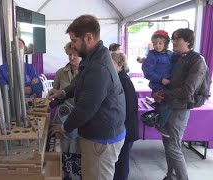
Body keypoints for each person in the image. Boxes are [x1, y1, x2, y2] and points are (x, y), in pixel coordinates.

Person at [48, 15, 126, 180]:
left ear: (88, 38)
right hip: (98, 135)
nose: (73, 46)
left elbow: (85, 108)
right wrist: (62, 93)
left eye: (74, 40)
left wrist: (64, 128)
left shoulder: (98, 67)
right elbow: (78, 83)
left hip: (101, 140)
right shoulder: (93, 58)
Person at [153, 28, 207, 180]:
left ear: (188, 41)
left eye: (177, 38)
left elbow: (188, 90)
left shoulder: (197, 60)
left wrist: (164, 94)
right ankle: (171, 176)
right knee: (168, 145)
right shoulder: (177, 58)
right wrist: (157, 93)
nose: (173, 41)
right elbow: (170, 82)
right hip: (169, 105)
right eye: (173, 38)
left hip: (181, 108)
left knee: (173, 147)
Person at [50, 42, 82, 180]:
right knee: (63, 148)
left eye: (75, 55)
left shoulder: (87, 73)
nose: (72, 57)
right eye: (70, 54)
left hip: (80, 117)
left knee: (78, 149)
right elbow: (54, 92)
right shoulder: (60, 73)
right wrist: (52, 96)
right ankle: (65, 174)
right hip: (62, 115)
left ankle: (76, 174)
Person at [142, 30, 176, 137]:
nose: (157, 46)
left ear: (166, 43)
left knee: (163, 103)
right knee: (166, 103)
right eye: (155, 43)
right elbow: (147, 71)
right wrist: (161, 79)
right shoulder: (152, 55)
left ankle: (158, 117)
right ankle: (159, 123)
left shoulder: (170, 54)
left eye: (160, 43)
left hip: (169, 84)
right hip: (158, 84)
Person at [111, 52, 139, 180]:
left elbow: (127, 109)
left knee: (121, 162)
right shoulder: (119, 79)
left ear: (120, 65)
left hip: (126, 129)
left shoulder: (124, 82)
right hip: (124, 128)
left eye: (111, 64)